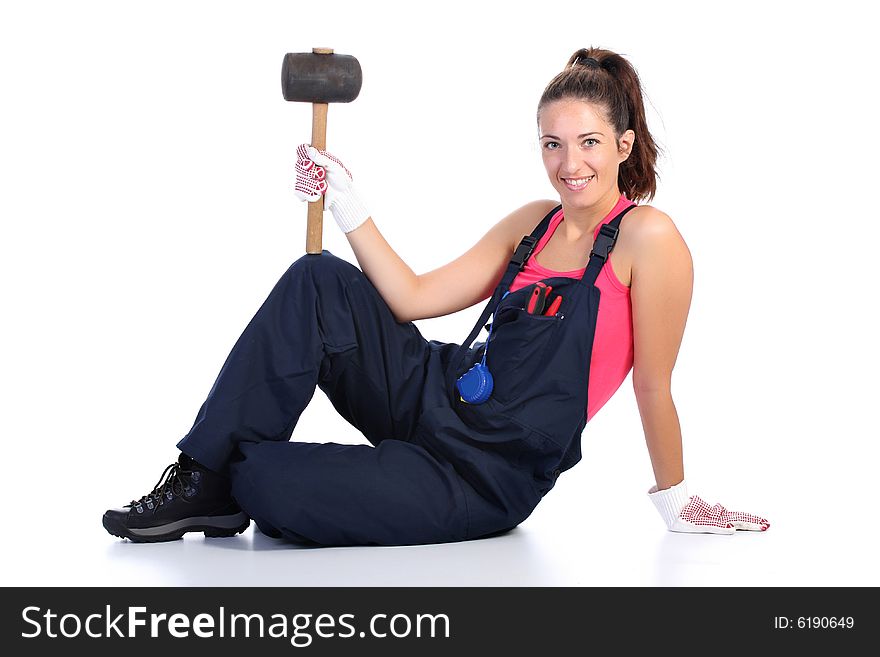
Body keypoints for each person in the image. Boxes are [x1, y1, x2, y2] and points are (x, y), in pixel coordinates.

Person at [103, 47, 769, 546]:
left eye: (590, 142)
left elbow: (654, 385)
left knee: (266, 482)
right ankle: (201, 479)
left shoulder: (648, 238)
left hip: (486, 473)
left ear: (623, 145)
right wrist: (344, 199)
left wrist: (676, 499)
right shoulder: (533, 222)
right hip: (434, 393)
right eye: (554, 144)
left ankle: (234, 481)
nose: (572, 164)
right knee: (317, 280)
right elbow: (413, 297)